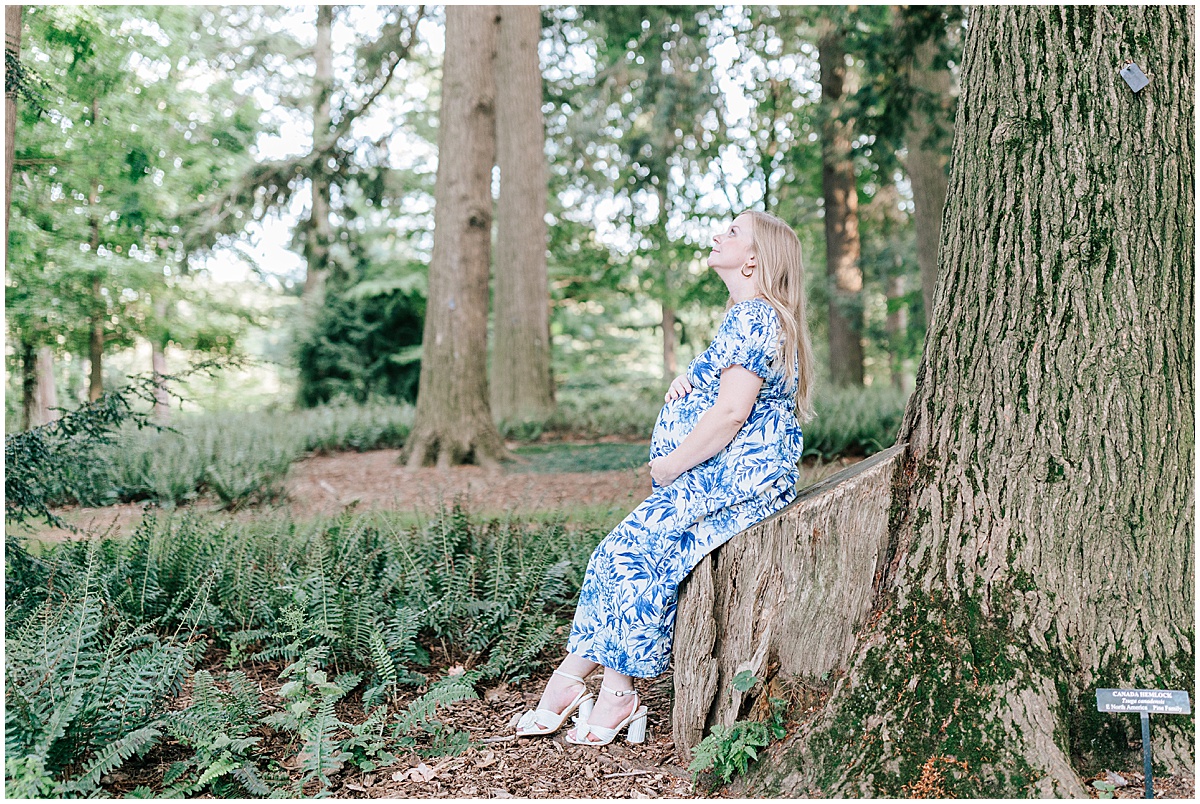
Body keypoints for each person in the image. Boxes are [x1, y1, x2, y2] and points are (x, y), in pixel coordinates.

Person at [514, 210, 816, 746]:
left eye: (733, 232)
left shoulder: (755, 318)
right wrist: (692, 379)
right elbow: (726, 388)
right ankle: (603, 684)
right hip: (725, 475)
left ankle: (598, 688)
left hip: (740, 478)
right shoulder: (749, 317)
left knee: (623, 552)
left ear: (754, 259)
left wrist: (672, 464)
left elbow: (730, 415)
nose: (717, 235)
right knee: (630, 557)